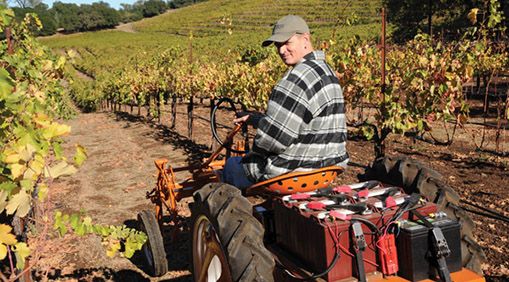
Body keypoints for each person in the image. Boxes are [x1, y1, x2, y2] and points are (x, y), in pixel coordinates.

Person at [223, 15, 349, 189]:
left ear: (305, 39)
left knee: (231, 166)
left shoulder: (297, 77)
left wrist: (252, 155)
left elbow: (273, 140)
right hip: (326, 170)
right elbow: (304, 123)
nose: (281, 50)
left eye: (286, 42)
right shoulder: (328, 72)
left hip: (291, 174)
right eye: (277, 45)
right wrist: (256, 119)